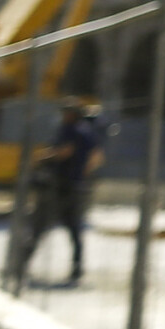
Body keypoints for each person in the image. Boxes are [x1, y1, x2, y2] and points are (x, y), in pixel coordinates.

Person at [34, 98, 104, 285]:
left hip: (61, 186)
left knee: (39, 225)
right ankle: (77, 268)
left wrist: (43, 158)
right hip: (75, 186)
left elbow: (65, 151)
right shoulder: (88, 132)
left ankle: (19, 265)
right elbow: (96, 157)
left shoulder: (71, 130)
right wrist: (82, 174)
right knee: (74, 230)